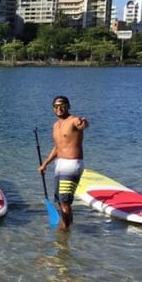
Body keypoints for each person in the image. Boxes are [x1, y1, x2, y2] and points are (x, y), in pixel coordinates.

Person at [38, 95, 89, 230]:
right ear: (53, 108)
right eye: (56, 106)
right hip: (59, 164)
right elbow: (57, 147)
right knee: (61, 202)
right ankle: (67, 226)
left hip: (72, 164)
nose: (59, 109)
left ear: (68, 106)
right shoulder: (56, 125)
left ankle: (64, 232)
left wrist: (84, 123)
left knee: (64, 201)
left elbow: (83, 124)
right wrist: (45, 164)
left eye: (62, 106)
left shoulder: (74, 120)